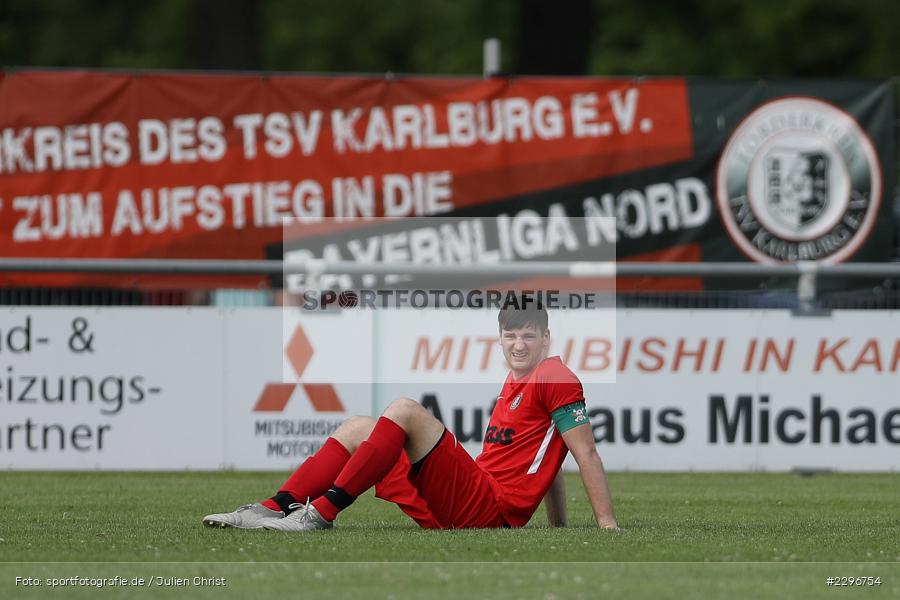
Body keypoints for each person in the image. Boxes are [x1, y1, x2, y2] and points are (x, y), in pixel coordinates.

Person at [203, 305, 618, 531]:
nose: (518, 343)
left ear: (547, 339)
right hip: (468, 504)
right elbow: (549, 458)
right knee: (357, 428)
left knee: (404, 410)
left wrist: (606, 525)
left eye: (529, 335)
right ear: (500, 339)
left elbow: (586, 454)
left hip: (489, 510)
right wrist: (559, 525)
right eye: (510, 335)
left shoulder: (556, 376)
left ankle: (320, 515)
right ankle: (272, 508)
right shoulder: (518, 380)